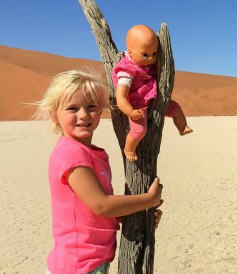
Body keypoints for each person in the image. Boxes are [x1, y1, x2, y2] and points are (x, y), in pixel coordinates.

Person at [35, 70, 164, 274]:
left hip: (89, 262)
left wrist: (137, 214)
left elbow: (91, 211)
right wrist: (149, 199)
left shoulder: (86, 152)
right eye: (72, 108)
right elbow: (101, 204)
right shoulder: (71, 153)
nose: (84, 115)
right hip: (78, 265)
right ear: (54, 116)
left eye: (91, 107)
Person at [112, 24, 193, 162]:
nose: (151, 58)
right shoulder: (127, 71)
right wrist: (130, 112)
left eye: (154, 54)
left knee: (175, 108)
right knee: (139, 130)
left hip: (152, 99)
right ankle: (129, 148)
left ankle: (182, 127)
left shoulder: (148, 65)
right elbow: (120, 98)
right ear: (130, 52)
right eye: (145, 54)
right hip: (136, 105)